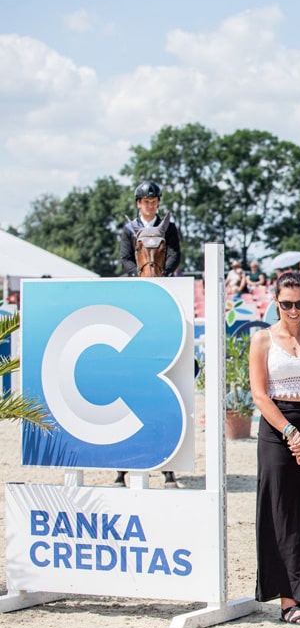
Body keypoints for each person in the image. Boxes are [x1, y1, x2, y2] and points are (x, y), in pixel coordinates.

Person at [249, 271, 300, 625]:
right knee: (279, 512)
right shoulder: (261, 340)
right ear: (276, 303)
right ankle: (286, 601)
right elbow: (259, 394)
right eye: (287, 304)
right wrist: (289, 433)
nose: (294, 310)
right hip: (276, 429)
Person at [117, 180, 182, 488]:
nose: (150, 205)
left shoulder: (168, 227)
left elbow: (175, 255)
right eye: (145, 201)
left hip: (164, 284)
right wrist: (142, 274)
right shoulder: (129, 229)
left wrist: (162, 274)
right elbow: (125, 259)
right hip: (138, 283)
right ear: (139, 203)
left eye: (154, 201)